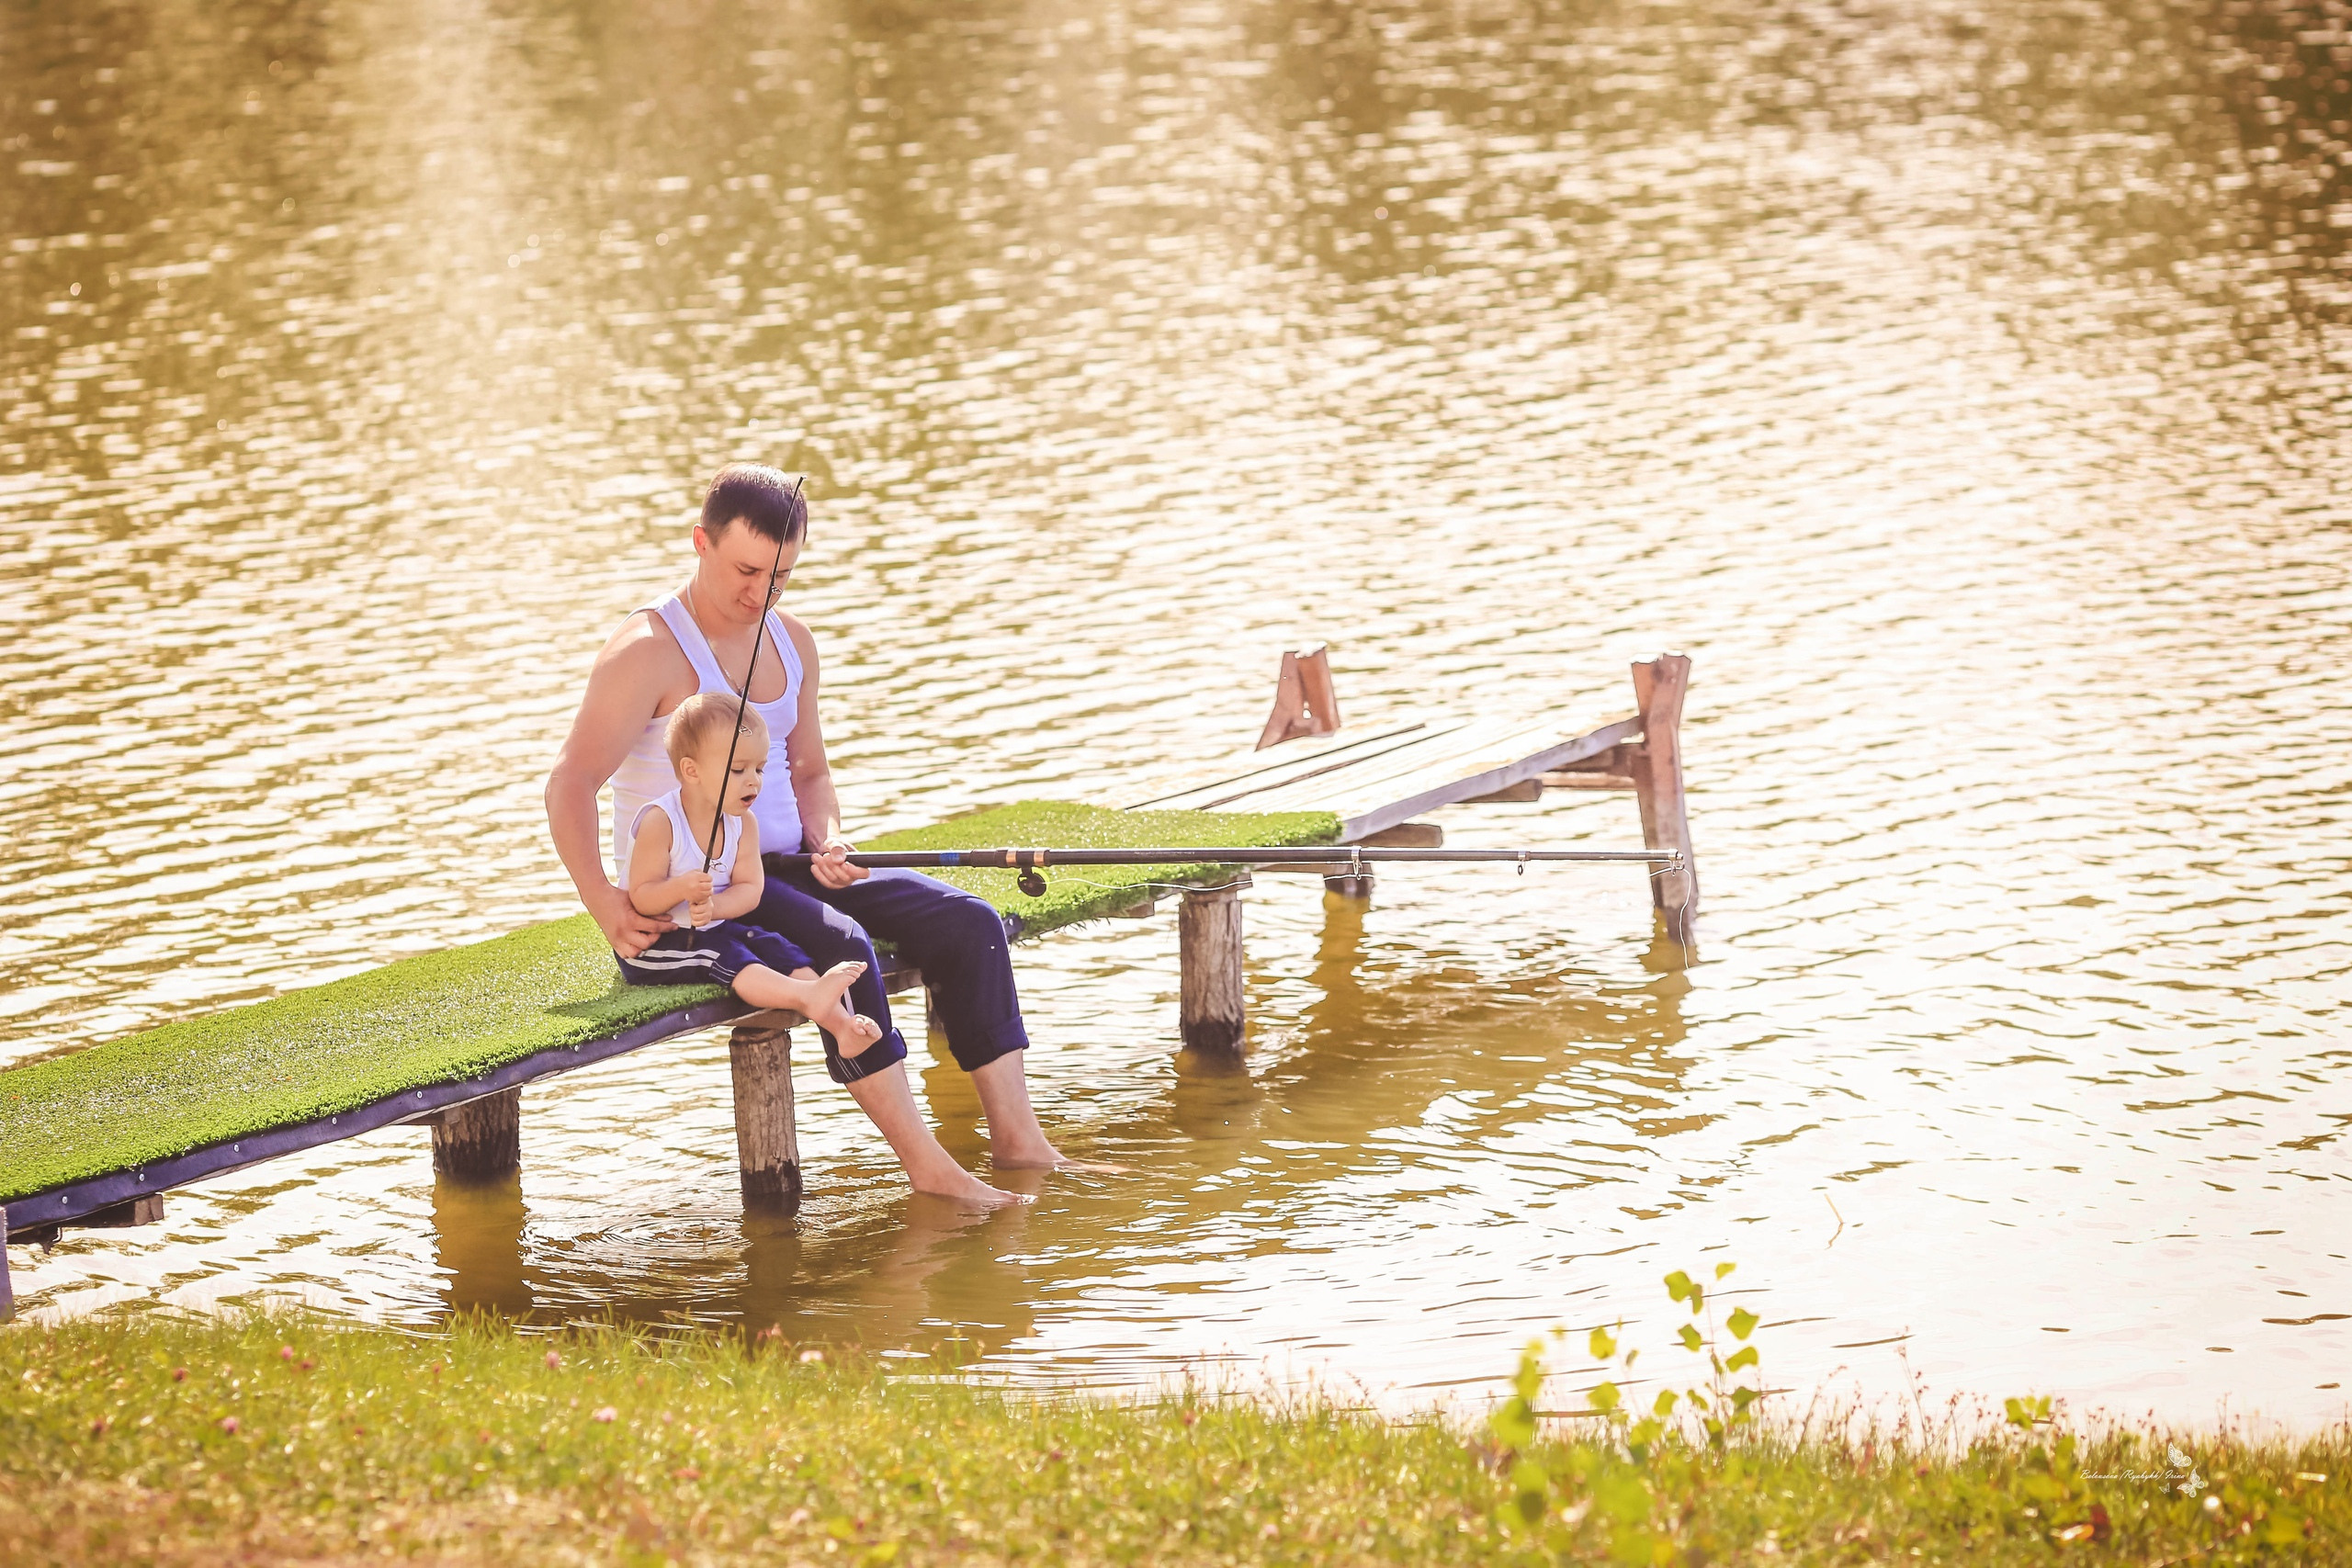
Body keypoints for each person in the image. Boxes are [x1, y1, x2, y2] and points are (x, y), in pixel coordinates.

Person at [546, 462, 1091, 1209]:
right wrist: (605, 903)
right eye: (746, 570)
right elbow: (568, 783)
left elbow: (810, 772)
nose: (761, 594)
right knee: (845, 946)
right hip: (709, 890)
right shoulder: (647, 651)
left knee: (970, 922)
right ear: (699, 543)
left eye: (782, 576)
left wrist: (830, 838)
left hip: (791, 865)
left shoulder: (793, 642)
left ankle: (1020, 1140)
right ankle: (928, 1167)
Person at [616, 690, 881, 1055]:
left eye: (759, 769)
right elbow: (642, 897)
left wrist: (716, 909)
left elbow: (749, 888)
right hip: (658, 945)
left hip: (712, 926)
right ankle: (807, 995)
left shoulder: (744, 824)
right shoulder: (662, 822)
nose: (753, 781)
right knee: (725, 955)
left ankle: (841, 1025)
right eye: (738, 770)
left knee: (774, 945)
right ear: (691, 770)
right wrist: (680, 888)